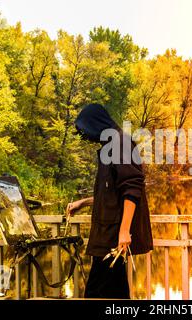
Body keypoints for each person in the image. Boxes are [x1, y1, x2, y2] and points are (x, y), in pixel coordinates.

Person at [66, 103, 153, 299]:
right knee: (115, 292)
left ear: (95, 123)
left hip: (113, 239)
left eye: (85, 131)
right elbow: (112, 193)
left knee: (97, 292)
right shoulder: (110, 146)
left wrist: (124, 231)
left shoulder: (120, 143)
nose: (85, 137)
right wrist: (83, 203)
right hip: (108, 236)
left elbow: (132, 187)